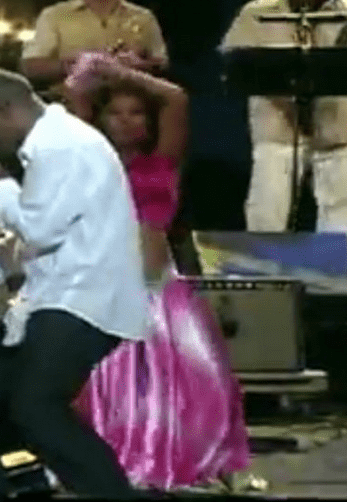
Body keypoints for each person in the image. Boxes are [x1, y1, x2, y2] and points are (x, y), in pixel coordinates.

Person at [0, 67, 150, 498]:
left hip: (84, 299)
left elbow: (36, 231)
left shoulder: (62, 147)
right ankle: (21, 487)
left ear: (4, 109)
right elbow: (20, 248)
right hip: (55, 295)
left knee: (36, 407)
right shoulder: (48, 147)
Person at [62, 52, 252, 491]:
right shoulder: (87, 158)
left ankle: (170, 459)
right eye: (115, 112)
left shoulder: (164, 161)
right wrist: (93, 71)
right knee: (104, 389)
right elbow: (74, 95)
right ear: (101, 119)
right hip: (104, 292)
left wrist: (121, 73)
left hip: (159, 292)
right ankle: (107, 461)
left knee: (187, 390)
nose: (126, 121)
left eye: (137, 113)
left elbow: (176, 98)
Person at [220, 0, 347, 242]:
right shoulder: (258, 12)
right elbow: (234, 59)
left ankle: (330, 272)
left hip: (336, 130)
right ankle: (267, 270)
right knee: (267, 214)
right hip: (278, 130)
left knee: (339, 216)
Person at [20, 0, 168, 111]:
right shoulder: (54, 15)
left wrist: (137, 65)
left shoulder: (143, 18)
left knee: (174, 96)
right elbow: (30, 66)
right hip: (71, 95)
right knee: (80, 96)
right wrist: (72, 65)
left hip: (129, 96)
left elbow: (160, 63)